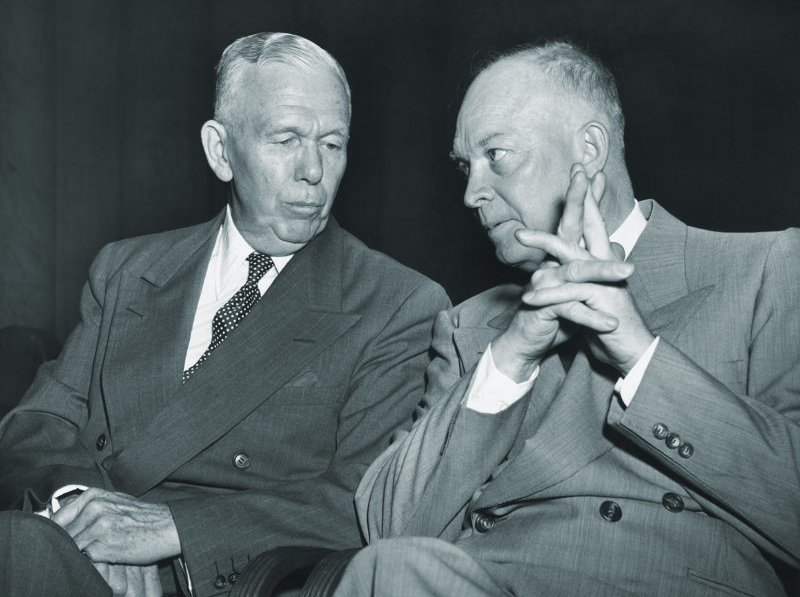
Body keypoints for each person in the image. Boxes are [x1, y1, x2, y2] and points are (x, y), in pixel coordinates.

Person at [333, 40, 800, 596]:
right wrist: (511, 356)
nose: (471, 193)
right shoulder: (471, 326)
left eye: (496, 155)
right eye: (465, 166)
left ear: (590, 149)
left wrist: (640, 356)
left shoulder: (764, 268)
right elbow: (386, 529)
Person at [0, 32, 448, 597]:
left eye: (332, 144)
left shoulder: (396, 303)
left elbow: (365, 499)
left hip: (220, 574)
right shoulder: (125, 269)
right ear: (220, 151)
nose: (314, 171)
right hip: (66, 547)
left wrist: (175, 530)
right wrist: (86, 513)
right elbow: (37, 426)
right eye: (286, 140)